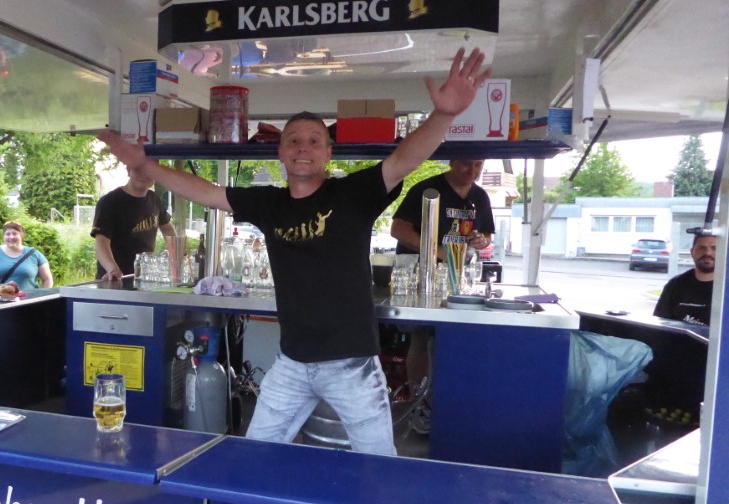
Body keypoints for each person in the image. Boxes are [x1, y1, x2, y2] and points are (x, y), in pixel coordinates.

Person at [99, 47, 490, 455]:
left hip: (352, 364)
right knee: (257, 456)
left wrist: (443, 115)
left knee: (379, 465)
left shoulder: (354, 193)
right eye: (294, 140)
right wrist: (146, 166)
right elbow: (206, 192)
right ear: (281, 151)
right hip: (292, 362)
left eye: (314, 141)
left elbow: (405, 159)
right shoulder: (269, 203)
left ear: (328, 152)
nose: (303, 147)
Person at [390, 159, 497, 433]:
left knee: (451, 336)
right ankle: (420, 404)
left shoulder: (479, 196)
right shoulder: (427, 189)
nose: (472, 171)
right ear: (451, 162)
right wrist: (434, 250)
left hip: (456, 275)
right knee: (420, 336)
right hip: (419, 272)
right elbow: (398, 228)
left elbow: (486, 233)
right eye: (466, 164)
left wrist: (481, 240)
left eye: (478, 165)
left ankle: (447, 405)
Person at [91, 168, 176, 280]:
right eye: (138, 169)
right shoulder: (109, 202)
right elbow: (101, 241)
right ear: (128, 170)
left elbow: (168, 230)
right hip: (115, 279)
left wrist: (178, 257)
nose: (144, 174)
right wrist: (112, 269)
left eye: (149, 170)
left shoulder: (154, 199)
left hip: (143, 277)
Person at [653, 234, 716, 325]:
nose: (708, 253)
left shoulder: (725, 288)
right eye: (701, 248)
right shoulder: (675, 285)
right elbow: (661, 323)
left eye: (714, 248)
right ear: (692, 252)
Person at [0, 221, 53, 292]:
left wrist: (44, 296)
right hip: (1, 299)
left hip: (30, 299)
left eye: (15, 234)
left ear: (21, 236)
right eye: (8, 234)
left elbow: (48, 280)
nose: (11, 237)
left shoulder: (34, 254)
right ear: (3, 236)